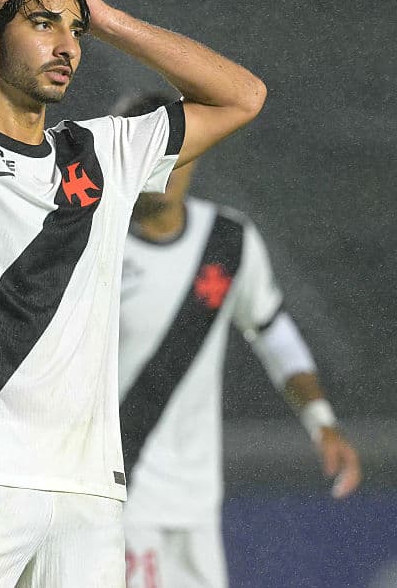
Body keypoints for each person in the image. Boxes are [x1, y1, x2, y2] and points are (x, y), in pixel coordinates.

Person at [0, 0, 267, 587]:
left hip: (88, 494)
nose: (68, 46)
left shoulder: (104, 150)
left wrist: (106, 18)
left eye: (74, 32)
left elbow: (243, 95)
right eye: (43, 24)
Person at [115, 92, 361, 588]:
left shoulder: (227, 242)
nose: (163, 164)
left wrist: (321, 422)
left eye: (175, 148)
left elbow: (273, 330)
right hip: (111, 498)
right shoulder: (88, 242)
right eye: (147, 149)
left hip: (197, 498)